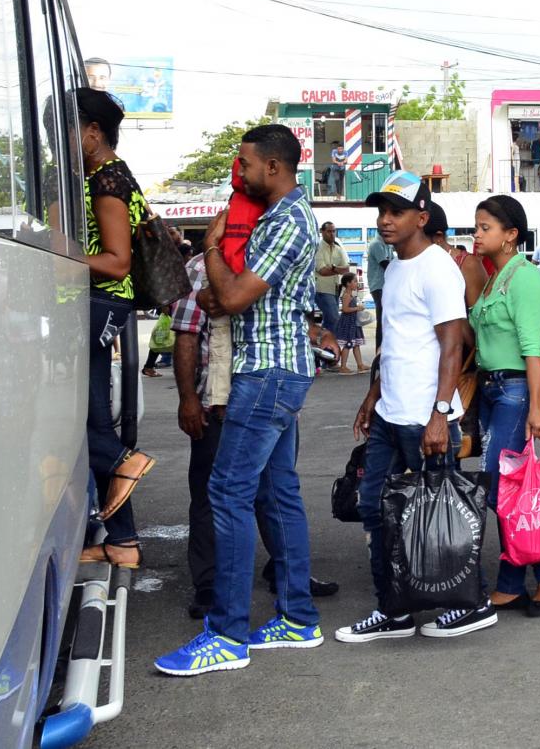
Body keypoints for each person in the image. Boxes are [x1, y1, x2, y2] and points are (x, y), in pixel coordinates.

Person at [155, 123, 323, 676]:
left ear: (273, 167)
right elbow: (219, 299)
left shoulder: (286, 220)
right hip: (274, 369)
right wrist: (221, 287)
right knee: (277, 495)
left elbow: (227, 294)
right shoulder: (279, 218)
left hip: (267, 372)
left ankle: (226, 634)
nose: (239, 173)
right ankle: (297, 618)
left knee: (227, 492)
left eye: (245, 164)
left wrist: (210, 246)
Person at [336, 172, 490, 642]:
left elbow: (451, 347)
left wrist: (441, 413)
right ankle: (395, 611)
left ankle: (472, 603)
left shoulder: (437, 268)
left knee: (441, 512)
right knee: (374, 508)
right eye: (382, 212)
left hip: (427, 417)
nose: (385, 221)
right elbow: (394, 339)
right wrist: (373, 393)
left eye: (395, 212)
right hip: (391, 413)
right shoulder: (394, 265)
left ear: (421, 217)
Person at [469, 194, 540, 616]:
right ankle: (526, 577)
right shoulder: (493, 277)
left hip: (517, 390)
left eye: (485, 227)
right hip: (492, 390)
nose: (476, 233)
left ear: (511, 235)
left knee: (502, 489)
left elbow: (533, 347)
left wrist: (538, 408)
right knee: (507, 489)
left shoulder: (524, 278)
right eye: (476, 226)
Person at [77, 86, 155, 569]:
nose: (55, 143)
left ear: (93, 132)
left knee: (88, 426)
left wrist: (56, 253)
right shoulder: (92, 177)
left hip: (102, 303)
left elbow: (117, 261)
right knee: (93, 421)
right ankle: (122, 542)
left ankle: (127, 460)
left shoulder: (109, 182)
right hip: (91, 304)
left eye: (62, 131)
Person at [313, 222, 351, 363]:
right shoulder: (318, 248)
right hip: (322, 289)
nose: (332, 234)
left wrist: (333, 268)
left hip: (335, 288)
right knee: (333, 320)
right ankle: (326, 355)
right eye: (329, 231)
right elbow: (322, 270)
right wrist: (337, 269)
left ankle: (325, 356)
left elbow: (347, 267)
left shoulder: (338, 248)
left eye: (334, 231)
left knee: (330, 323)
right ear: (322, 232)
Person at [362, 225, 394, 351]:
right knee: (382, 320)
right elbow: (386, 264)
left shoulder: (387, 245)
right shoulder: (376, 244)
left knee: (387, 320)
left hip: (386, 286)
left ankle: (385, 351)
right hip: (379, 286)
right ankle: (378, 352)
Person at [336, 271, 368, 373]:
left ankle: (360, 364)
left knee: (356, 344)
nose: (356, 283)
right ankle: (343, 366)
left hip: (353, 323)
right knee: (348, 344)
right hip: (348, 323)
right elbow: (345, 309)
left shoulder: (351, 295)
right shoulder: (347, 295)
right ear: (348, 283)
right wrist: (357, 308)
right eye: (354, 281)